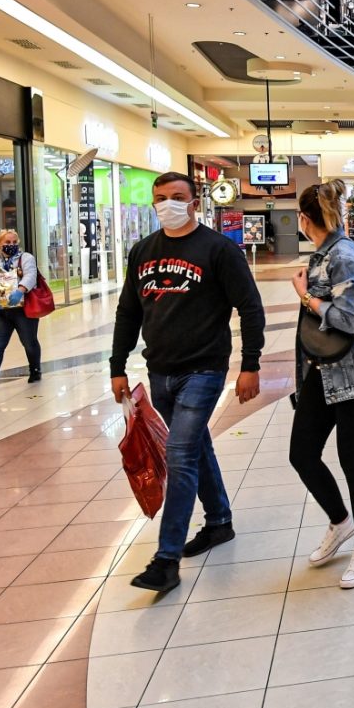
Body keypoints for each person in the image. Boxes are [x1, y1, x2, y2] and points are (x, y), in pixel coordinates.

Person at [110, 172, 265, 593]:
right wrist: (117, 366)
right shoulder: (143, 251)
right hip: (159, 371)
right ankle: (219, 522)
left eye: (177, 197)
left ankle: (166, 560)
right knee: (196, 446)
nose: (169, 205)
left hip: (204, 369)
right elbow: (128, 312)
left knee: (179, 455)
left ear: (194, 202)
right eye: (161, 198)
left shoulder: (218, 249)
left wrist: (250, 364)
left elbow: (250, 307)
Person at [291, 180, 354, 589]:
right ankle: (340, 522)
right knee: (302, 454)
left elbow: (348, 321)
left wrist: (305, 296)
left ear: (304, 218)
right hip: (323, 372)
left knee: (353, 462)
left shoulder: (344, 255)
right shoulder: (322, 253)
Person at [0, 229, 42, 391]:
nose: (11, 245)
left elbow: (30, 276)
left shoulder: (26, 258)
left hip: (23, 310)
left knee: (29, 342)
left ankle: (35, 369)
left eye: (14, 242)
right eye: (7, 242)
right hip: (0, 311)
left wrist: (20, 291)